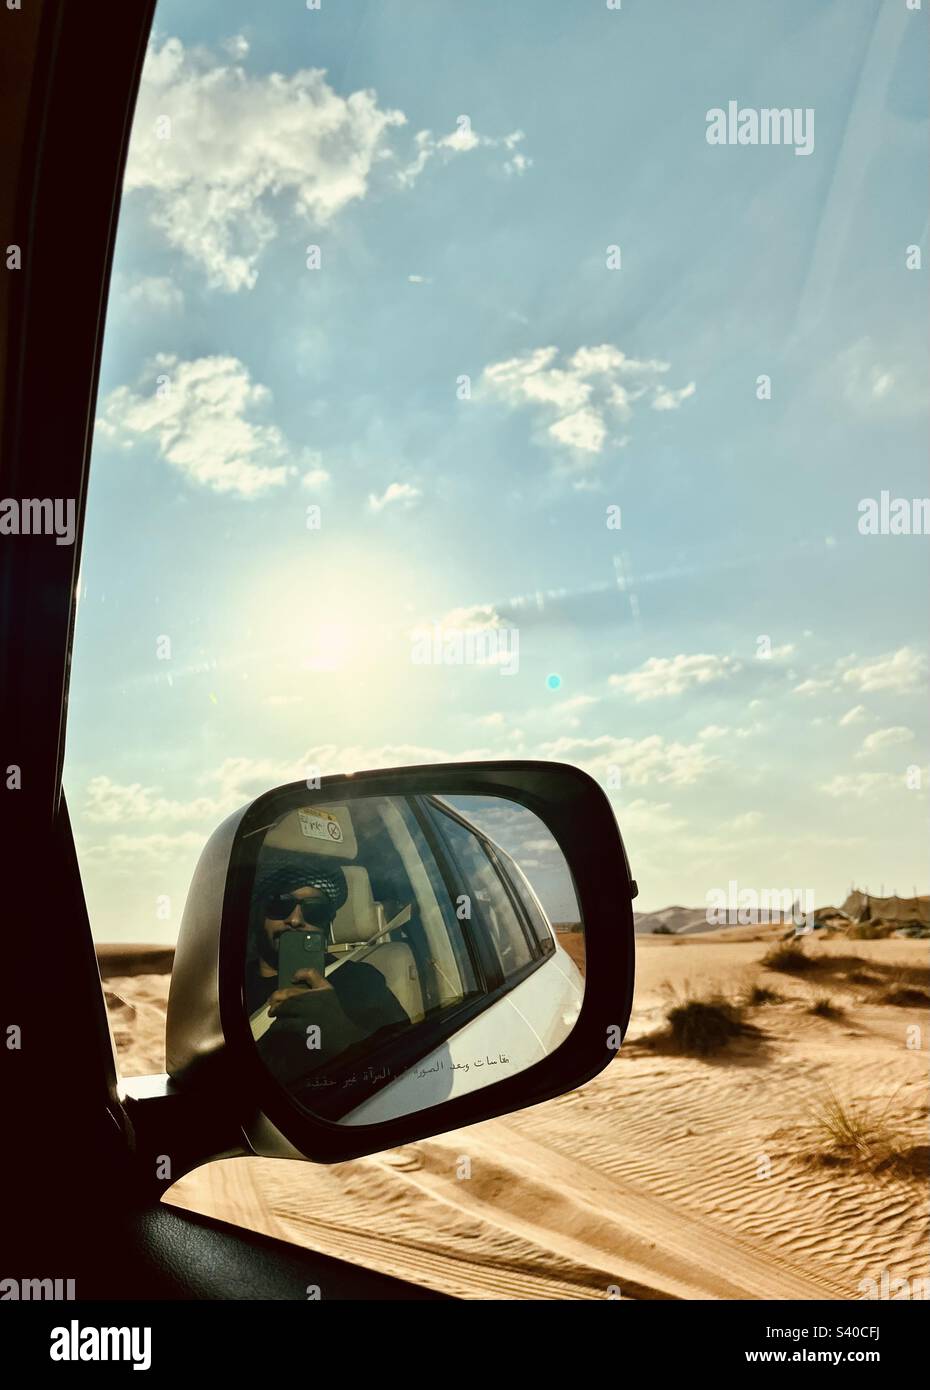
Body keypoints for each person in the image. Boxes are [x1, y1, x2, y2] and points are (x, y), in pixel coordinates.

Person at [245, 854, 409, 1091]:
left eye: (315, 910)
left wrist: (345, 1036)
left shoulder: (359, 981)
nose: (295, 919)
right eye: (280, 904)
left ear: (327, 923)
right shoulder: (226, 985)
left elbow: (406, 1069)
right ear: (259, 915)